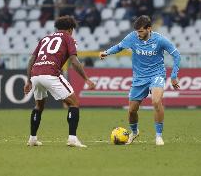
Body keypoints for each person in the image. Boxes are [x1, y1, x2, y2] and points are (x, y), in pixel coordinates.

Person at [99, 15, 181, 146]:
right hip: (139, 78)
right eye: (137, 31)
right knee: (132, 110)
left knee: (156, 101)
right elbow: (120, 46)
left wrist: (173, 76)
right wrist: (107, 52)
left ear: (149, 29)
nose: (138, 34)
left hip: (157, 74)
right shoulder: (132, 37)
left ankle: (158, 136)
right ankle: (134, 131)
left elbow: (176, 55)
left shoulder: (160, 40)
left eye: (141, 31)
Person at [24, 15, 95, 148]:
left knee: (39, 106)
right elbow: (74, 61)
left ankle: (32, 139)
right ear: (70, 29)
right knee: (74, 103)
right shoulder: (69, 38)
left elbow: (31, 60)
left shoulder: (44, 39)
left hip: (35, 74)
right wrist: (86, 79)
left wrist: (28, 81)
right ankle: (72, 139)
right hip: (51, 73)